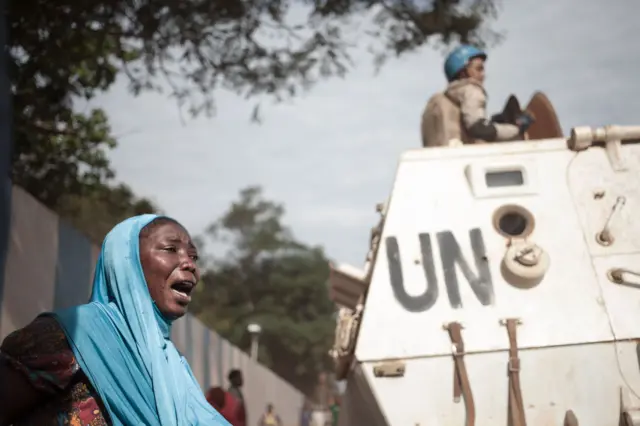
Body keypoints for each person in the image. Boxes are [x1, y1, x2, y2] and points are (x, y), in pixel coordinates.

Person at [0, 215, 231, 425]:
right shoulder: (68, 335)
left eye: (193, 256)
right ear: (127, 261)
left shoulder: (173, 365)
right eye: (171, 249)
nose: (190, 264)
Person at [421, 44, 534, 147]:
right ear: (463, 73)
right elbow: (478, 129)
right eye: (479, 69)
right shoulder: (471, 89)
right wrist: (517, 129)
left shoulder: (438, 100)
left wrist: (496, 122)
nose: (483, 75)